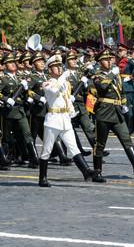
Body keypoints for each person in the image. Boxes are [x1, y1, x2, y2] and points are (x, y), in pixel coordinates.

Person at [91, 48, 134, 182]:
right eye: (106, 59)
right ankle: (97, 171)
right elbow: (102, 88)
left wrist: (123, 104)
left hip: (117, 112)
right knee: (100, 144)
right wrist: (111, 74)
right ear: (100, 62)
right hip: (104, 112)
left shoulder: (116, 74)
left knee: (127, 140)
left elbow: (121, 91)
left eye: (110, 59)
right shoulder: (98, 75)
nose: (109, 61)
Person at [38, 55, 97, 187]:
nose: (59, 68)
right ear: (49, 69)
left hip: (65, 119)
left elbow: (66, 98)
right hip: (53, 120)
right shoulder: (47, 83)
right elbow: (54, 91)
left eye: (60, 66)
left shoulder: (64, 83)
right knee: (47, 150)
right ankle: (42, 178)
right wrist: (63, 77)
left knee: (73, 147)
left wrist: (70, 109)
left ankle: (86, 171)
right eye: (55, 66)